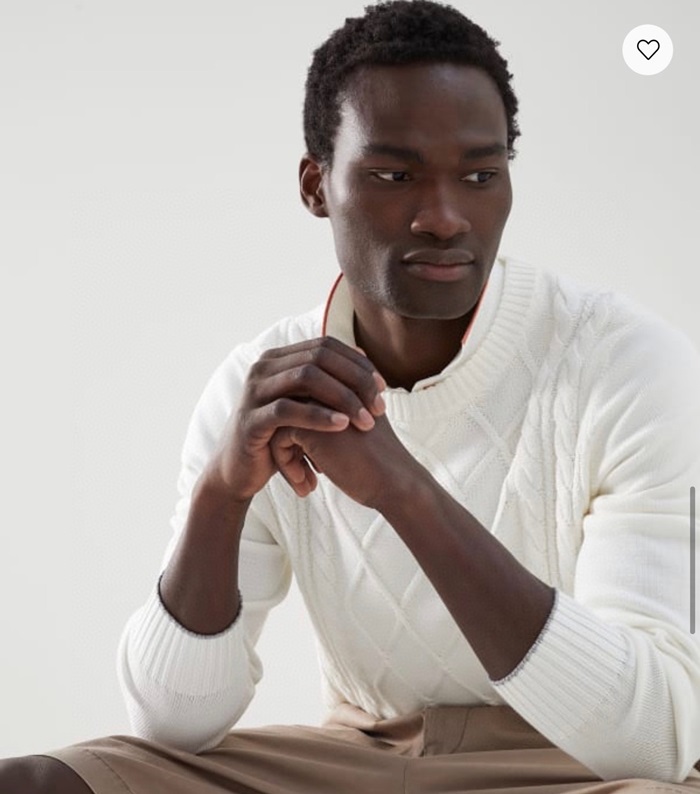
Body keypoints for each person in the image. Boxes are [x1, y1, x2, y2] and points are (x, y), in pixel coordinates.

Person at [3, 1, 700, 791]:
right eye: (394, 176)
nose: (444, 218)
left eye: (480, 175)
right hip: (362, 758)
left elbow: (656, 735)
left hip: (581, 769)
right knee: (43, 783)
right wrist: (222, 494)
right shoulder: (265, 389)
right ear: (316, 185)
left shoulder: (626, 364)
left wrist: (404, 492)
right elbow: (174, 725)